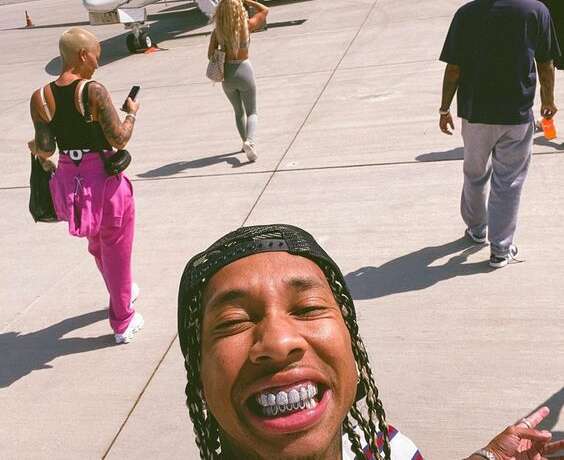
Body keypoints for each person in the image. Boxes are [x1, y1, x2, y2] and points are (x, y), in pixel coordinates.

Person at [177, 224, 564, 459]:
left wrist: (488, 457)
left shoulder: (388, 450)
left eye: (308, 308)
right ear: (200, 381)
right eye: (233, 321)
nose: (279, 341)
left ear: (353, 353)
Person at [28, 27, 143, 344]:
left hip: (71, 183)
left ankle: (121, 291)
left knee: (97, 244)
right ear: (82, 55)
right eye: (96, 55)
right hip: (102, 181)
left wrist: (34, 147)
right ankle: (123, 321)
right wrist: (131, 115)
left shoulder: (40, 97)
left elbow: (46, 147)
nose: (97, 62)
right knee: (117, 248)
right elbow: (119, 138)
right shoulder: (93, 90)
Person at [438, 0, 561, 268]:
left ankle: (476, 229)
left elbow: (454, 69)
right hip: (516, 115)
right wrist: (548, 100)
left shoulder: (466, 14)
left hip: (475, 114)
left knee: (474, 174)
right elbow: (545, 63)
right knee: (509, 182)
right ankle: (501, 249)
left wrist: (444, 108)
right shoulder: (536, 11)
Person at [208, 0, 268, 162]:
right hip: (244, 69)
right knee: (252, 112)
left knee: (238, 111)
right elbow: (265, 10)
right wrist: (246, 0)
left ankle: (244, 143)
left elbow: (210, 55)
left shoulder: (217, 32)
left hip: (227, 75)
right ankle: (250, 142)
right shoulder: (246, 26)